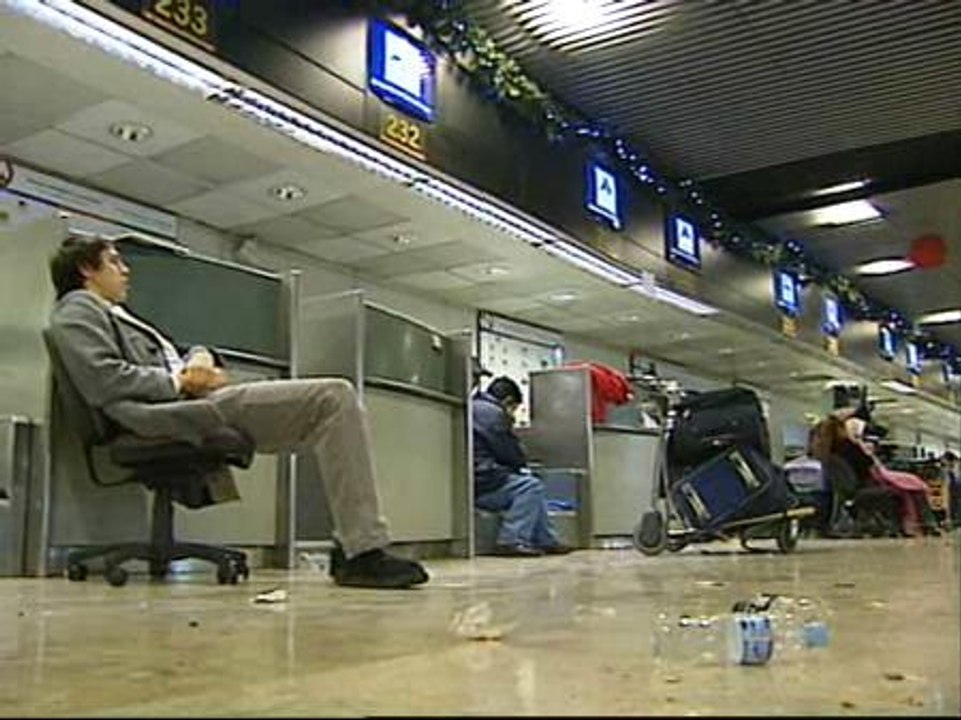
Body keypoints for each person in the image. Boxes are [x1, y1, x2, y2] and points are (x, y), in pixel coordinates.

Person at [46, 234, 429, 589]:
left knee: (331, 411)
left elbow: (168, 356)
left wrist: (199, 355)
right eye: (114, 261)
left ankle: (357, 545)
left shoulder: (116, 314)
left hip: (187, 401)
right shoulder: (76, 311)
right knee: (334, 398)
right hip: (170, 410)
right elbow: (104, 379)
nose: (125, 269)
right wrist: (182, 381)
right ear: (86, 270)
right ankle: (360, 550)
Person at [471, 376, 571, 556]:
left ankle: (546, 540)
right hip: (484, 481)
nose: (513, 414)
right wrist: (522, 463)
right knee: (530, 486)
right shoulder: (494, 414)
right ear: (508, 401)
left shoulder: (475, 406)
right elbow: (510, 452)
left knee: (532, 484)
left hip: (474, 477)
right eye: (514, 409)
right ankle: (512, 540)